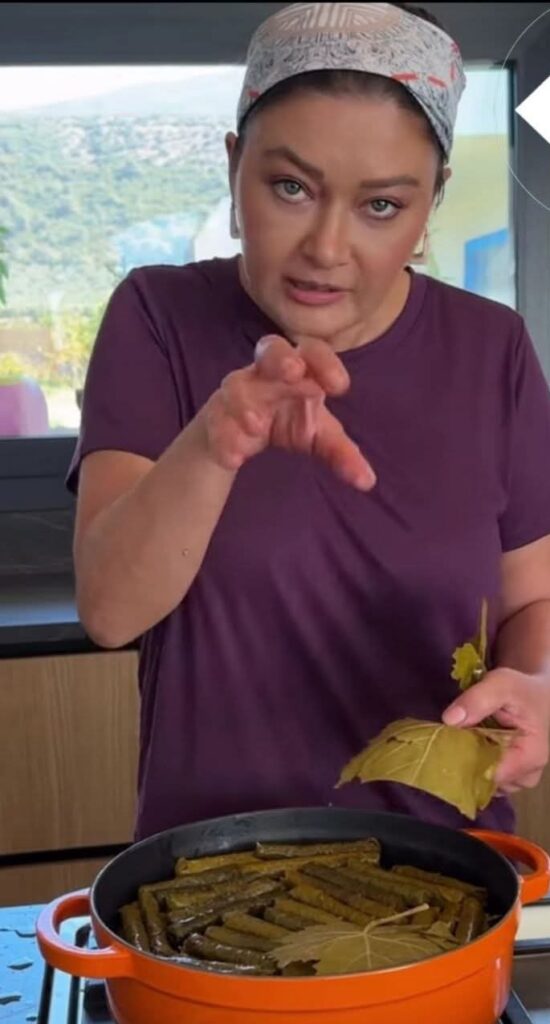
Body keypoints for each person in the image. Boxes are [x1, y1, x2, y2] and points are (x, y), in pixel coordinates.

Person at [68, 1, 550, 842]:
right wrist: (217, 439)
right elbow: (111, 611)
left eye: (381, 205)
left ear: (431, 203)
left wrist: (538, 685)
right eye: (290, 187)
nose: (327, 248)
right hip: (213, 869)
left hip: (449, 870)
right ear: (234, 170)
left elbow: (533, 598)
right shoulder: (158, 317)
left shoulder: (492, 347)